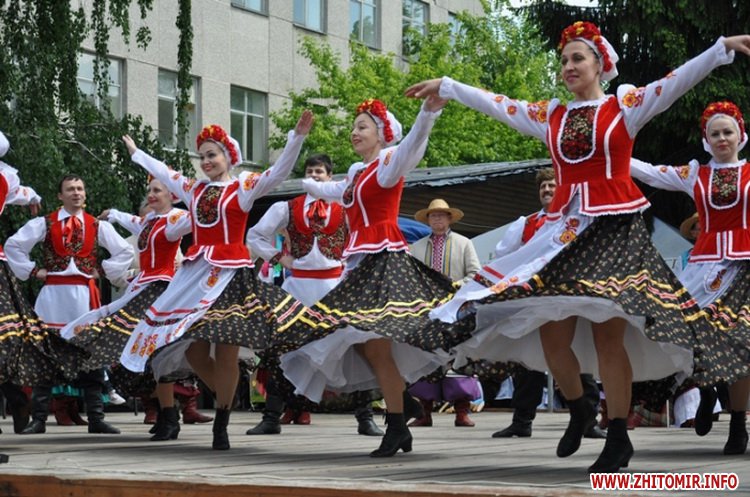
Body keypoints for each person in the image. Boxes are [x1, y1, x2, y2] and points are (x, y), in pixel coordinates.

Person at [406, 22, 750, 472]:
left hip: (614, 234)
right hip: (565, 236)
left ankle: (619, 436)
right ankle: (580, 406)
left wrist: (719, 48)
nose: (568, 66)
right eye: (564, 60)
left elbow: (674, 82)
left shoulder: (624, 107)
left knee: (609, 334)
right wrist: (450, 86)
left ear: (599, 64)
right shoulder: (551, 116)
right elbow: (500, 104)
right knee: (553, 336)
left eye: (577, 58)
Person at [278, 95, 477, 458]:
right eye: (354, 127)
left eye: (363, 126)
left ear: (383, 133)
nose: (355, 132)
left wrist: (428, 113)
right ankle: (403, 406)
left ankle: (397, 424)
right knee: (356, 340)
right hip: (359, 265)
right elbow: (332, 190)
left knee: (374, 345)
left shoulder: (389, 162)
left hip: (384, 260)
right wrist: (307, 179)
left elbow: (413, 144)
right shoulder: (358, 171)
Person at [119, 111, 312, 450]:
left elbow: (278, 172)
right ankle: (226, 397)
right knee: (195, 351)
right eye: (203, 156)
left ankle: (221, 422)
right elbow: (164, 172)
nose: (206, 161)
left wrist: (296, 137)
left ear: (228, 156)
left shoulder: (242, 188)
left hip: (231, 276)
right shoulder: (193, 190)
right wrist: (137, 154)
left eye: (213, 154)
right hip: (196, 277)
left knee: (226, 351)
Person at [630, 100, 750, 455]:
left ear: (741, 136)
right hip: (705, 268)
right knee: (682, 332)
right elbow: (651, 173)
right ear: (705, 140)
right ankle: (706, 387)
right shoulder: (695, 174)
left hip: (745, 267)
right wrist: (610, 155)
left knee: (743, 344)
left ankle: (738, 424)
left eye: (728, 132)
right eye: (715, 133)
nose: (722, 138)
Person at [245, 153, 383, 437]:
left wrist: (355, 269)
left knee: (351, 346)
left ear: (330, 177)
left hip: (335, 288)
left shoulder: (346, 207)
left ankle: (365, 417)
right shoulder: (288, 208)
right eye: (310, 171)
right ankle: (271, 417)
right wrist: (279, 258)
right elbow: (254, 235)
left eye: (319, 171)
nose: (314, 176)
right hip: (298, 288)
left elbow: (366, 235)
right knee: (282, 348)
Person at [59, 177, 194, 441]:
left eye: (157, 191)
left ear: (172, 196)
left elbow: (199, 219)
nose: (151, 195)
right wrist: (112, 214)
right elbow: (131, 220)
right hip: (143, 289)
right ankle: (165, 413)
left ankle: (169, 416)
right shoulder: (148, 221)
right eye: (149, 190)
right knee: (143, 351)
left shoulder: (176, 219)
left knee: (158, 352)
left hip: (162, 291)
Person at [5, 174, 134, 435]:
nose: (76, 193)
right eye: (70, 189)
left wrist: (103, 270)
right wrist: (33, 271)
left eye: (80, 188)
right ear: (60, 196)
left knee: (90, 353)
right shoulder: (46, 223)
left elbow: (125, 251)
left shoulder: (97, 225)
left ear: (85, 194)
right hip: (53, 295)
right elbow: (13, 245)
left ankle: (96, 418)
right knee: (46, 353)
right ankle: (39, 419)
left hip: (84, 295)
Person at [488, 169, 604, 440]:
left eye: (552, 185)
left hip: (566, 294)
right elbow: (504, 255)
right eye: (543, 187)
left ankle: (588, 421)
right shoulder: (525, 224)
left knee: (575, 355)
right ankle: (522, 421)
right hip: (533, 295)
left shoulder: (575, 220)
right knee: (527, 361)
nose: (547, 190)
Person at [407, 198, 481, 427]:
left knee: (459, 357)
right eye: (433, 215)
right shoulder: (416, 247)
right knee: (425, 358)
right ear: (428, 220)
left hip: (457, 309)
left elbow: (475, 273)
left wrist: (456, 287)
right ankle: (424, 412)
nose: (437, 218)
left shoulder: (464, 243)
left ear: (449, 218)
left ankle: (461, 411)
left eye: (441, 215)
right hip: (427, 311)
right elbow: (410, 277)